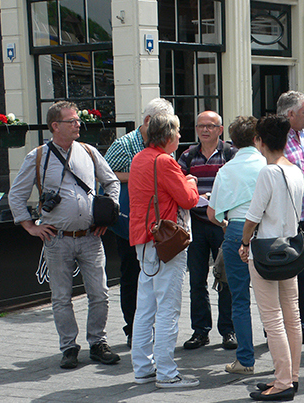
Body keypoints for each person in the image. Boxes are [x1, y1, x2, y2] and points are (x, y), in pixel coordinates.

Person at [7, 101, 122, 369]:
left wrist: (109, 212)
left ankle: (98, 343)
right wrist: (30, 226)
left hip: (91, 237)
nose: (77, 124)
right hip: (56, 239)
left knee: (100, 294)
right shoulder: (37, 156)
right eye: (71, 121)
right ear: (55, 126)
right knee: (61, 297)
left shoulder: (89, 152)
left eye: (77, 120)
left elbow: (112, 182)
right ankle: (69, 347)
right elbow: (17, 195)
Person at [128, 113, 201, 388]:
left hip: (143, 239)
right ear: (168, 136)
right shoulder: (164, 161)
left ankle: (143, 367)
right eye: (178, 132)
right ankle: (167, 373)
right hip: (165, 241)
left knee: (145, 305)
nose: (181, 137)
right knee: (168, 306)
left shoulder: (139, 158)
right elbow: (188, 198)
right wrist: (191, 180)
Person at [238, 115, 304, 401]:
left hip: (265, 250)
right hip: (290, 249)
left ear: (259, 141)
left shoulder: (269, 172)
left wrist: (243, 243)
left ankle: (281, 382)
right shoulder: (296, 170)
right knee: (292, 316)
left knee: (272, 318)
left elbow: (253, 218)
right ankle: (291, 376)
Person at [103, 97, 175, 347]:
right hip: (129, 223)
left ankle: (149, 328)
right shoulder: (123, 146)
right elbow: (104, 174)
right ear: (147, 121)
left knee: (153, 278)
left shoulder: (164, 142)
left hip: (158, 224)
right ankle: (133, 328)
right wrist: (139, 174)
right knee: (131, 275)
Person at [208, 116, 266, 375]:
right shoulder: (267, 165)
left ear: (233, 141)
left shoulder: (226, 169)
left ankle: (245, 360)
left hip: (235, 231)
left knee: (239, 300)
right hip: (266, 232)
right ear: (257, 138)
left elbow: (213, 214)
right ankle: (283, 359)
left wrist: (226, 224)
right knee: (274, 301)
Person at [179, 110, 238, 351]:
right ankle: (200, 331)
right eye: (201, 126)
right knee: (196, 279)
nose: (205, 130)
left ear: (220, 130)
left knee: (226, 279)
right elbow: (179, 185)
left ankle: (228, 330)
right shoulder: (187, 155)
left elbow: (238, 185)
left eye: (210, 126)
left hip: (223, 224)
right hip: (197, 225)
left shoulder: (231, 154)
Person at [276, 90, 304, 346]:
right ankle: (281, 326)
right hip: (285, 220)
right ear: (290, 114)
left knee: (303, 274)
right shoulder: (278, 140)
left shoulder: (301, 136)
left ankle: (301, 324)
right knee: (284, 274)